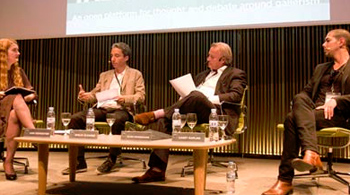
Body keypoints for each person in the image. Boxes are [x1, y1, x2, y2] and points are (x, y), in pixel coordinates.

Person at [131, 42, 247, 183]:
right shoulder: (202, 75)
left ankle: (157, 113)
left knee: (197, 96)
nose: (207, 59)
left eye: (211, 56)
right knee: (164, 121)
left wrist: (206, 98)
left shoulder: (236, 74)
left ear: (222, 60)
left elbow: (236, 96)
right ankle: (157, 170)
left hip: (217, 114)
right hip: (195, 111)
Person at [262, 29, 350, 195]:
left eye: (327, 40)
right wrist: (301, 102)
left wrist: (337, 101)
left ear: (341, 42)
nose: (323, 45)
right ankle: (311, 153)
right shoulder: (321, 68)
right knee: (299, 98)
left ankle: (285, 180)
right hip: (314, 113)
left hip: (340, 115)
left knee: (290, 119)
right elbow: (306, 93)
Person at [61, 42, 145, 175]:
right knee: (76, 119)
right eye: (112, 56)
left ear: (126, 58)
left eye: (117, 56)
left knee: (117, 119)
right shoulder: (104, 75)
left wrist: (125, 98)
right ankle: (79, 161)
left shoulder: (135, 74)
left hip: (122, 109)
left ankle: (112, 159)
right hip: (103, 108)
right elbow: (94, 95)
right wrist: (85, 95)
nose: (113, 59)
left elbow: (140, 96)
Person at [0, 38, 37, 181]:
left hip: (11, 113)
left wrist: (30, 96)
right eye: (14, 50)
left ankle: (8, 161)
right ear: (3, 53)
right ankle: (33, 132)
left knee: (15, 113)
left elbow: (32, 92)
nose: (18, 53)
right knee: (15, 96)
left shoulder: (18, 71)